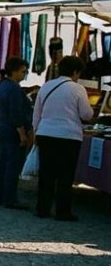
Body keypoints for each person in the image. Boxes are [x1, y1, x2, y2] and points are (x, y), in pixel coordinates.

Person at [32, 55, 94, 221]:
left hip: (45, 133)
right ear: (75, 71)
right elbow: (86, 114)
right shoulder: (77, 89)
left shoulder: (46, 86)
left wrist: (36, 131)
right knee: (65, 175)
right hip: (68, 136)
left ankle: (42, 208)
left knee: (46, 174)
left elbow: (37, 113)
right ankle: (62, 211)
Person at [0, 57, 33, 209]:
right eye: (23, 71)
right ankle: (9, 198)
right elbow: (16, 114)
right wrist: (22, 134)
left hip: (2, 128)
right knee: (12, 165)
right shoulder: (14, 89)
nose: (25, 74)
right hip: (12, 131)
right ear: (14, 71)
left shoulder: (3, 85)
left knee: (2, 164)